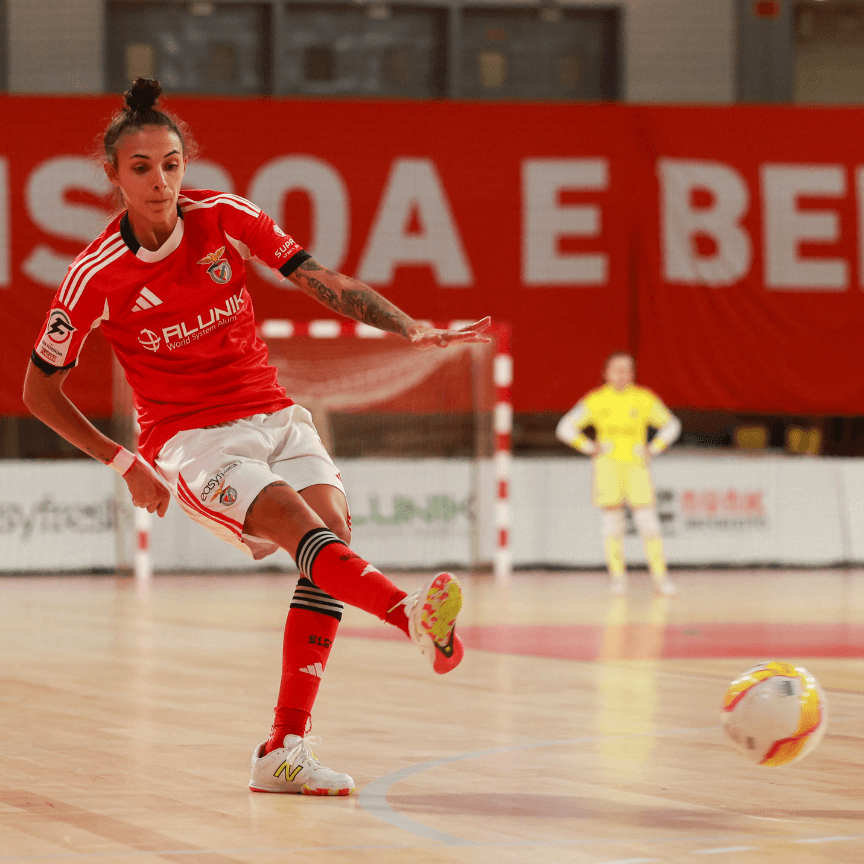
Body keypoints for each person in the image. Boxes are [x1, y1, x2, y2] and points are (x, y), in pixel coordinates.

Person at [23, 78, 491, 797]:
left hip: (273, 413)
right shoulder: (97, 274)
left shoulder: (224, 218)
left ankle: (283, 751)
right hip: (194, 442)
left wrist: (408, 326)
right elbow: (37, 390)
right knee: (308, 531)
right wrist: (124, 462)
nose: (161, 180)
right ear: (113, 176)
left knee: (331, 538)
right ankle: (408, 617)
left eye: (172, 163)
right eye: (142, 167)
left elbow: (317, 279)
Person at [555, 352, 681, 597]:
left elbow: (672, 425)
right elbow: (565, 428)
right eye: (617, 369)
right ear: (606, 373)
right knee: (613, 526)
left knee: (648, 524)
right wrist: (589, 447)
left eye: (627, 369)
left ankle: (661, 578)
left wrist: (653, 448)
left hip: (636, 468)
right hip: (608, 470)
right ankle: (618, 579)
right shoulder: (596, 400)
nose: (622, 374)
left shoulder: (644, 399)